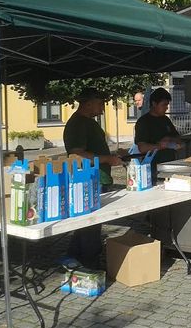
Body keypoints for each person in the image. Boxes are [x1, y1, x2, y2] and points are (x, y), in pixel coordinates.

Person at [63, 87, 122, 268]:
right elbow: (77, 155)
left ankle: (72, 257)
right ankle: (90, 264)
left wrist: (113, 154)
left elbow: (94, 149)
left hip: (99, 177)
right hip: (88, 180)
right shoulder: (77, 123)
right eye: (100, 103)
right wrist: (107, 158)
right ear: (88, 103)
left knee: (88, 224)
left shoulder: (89, 122)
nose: (103, 108)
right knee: (91, 224)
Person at [134, 87, 181, 180]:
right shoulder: (144, 122)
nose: (166, 108)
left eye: (167, 105)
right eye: (164, 105)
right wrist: (160, 146)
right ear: (154, 103)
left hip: (170, 167)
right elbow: (142, 148)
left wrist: (170, 139)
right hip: (152, 170)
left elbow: (178, 138)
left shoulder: (165, 120)